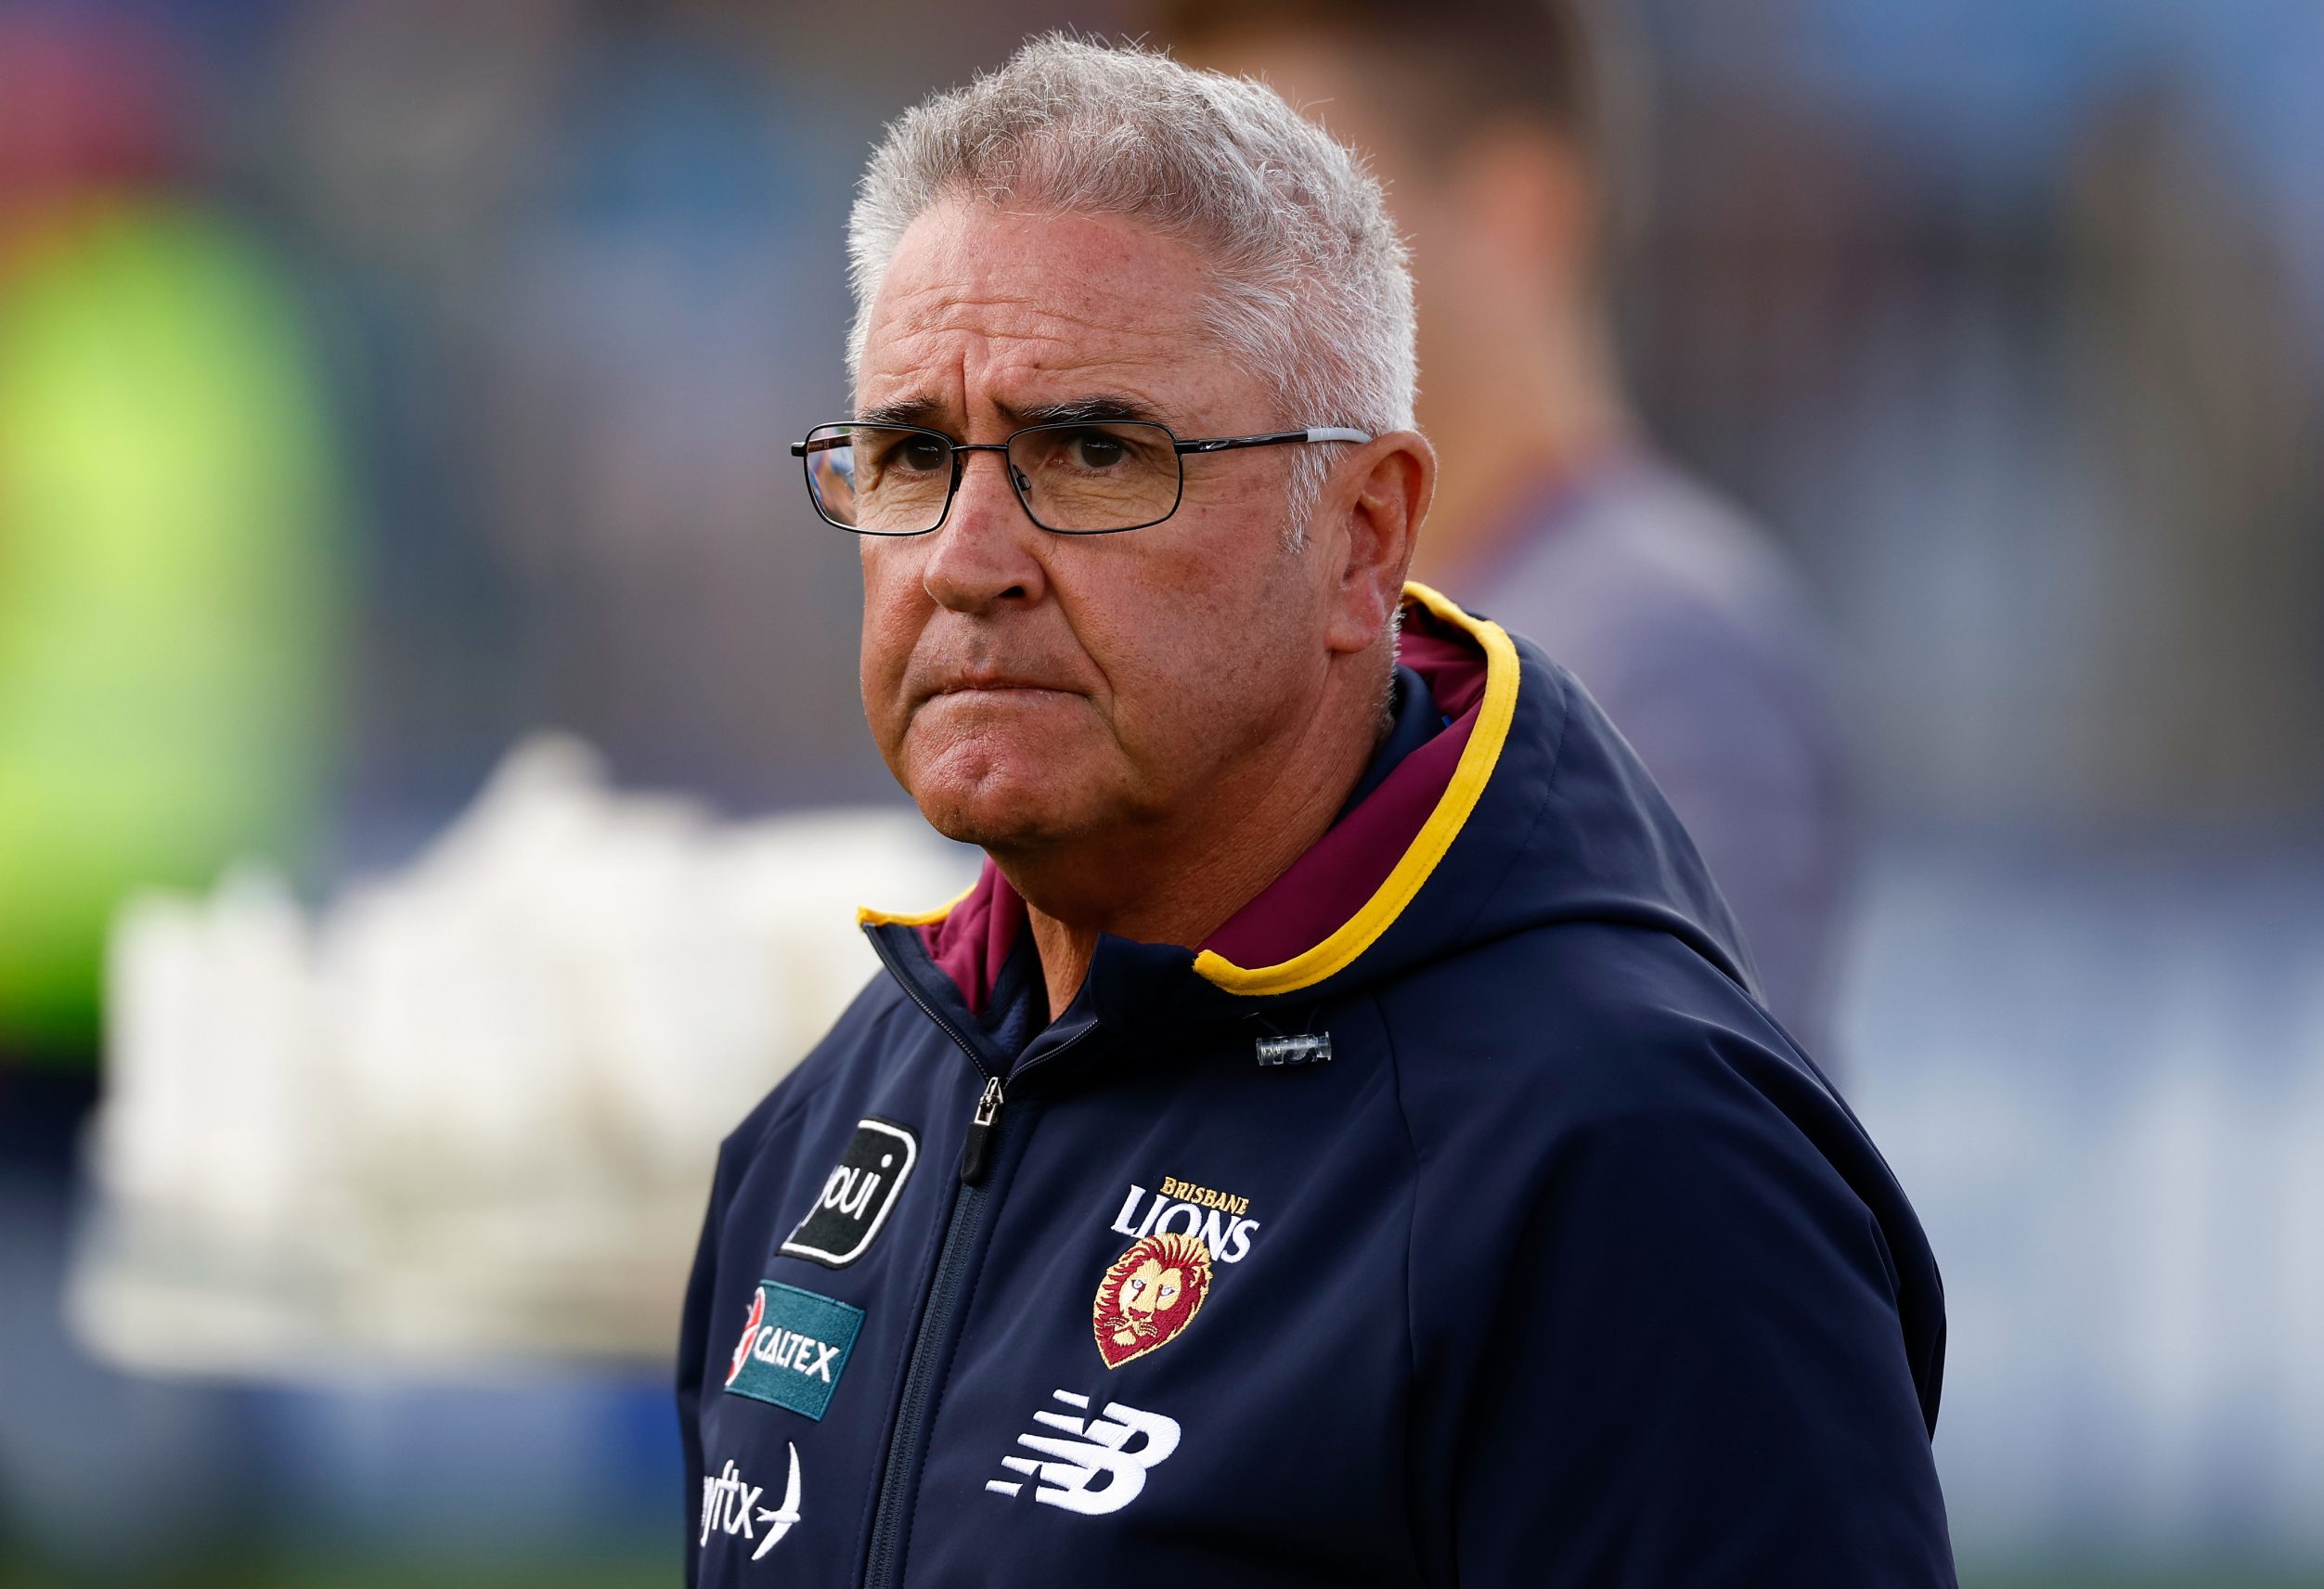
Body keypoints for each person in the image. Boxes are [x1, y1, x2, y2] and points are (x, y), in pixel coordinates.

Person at [677, 36, 1952, 1587]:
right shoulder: (821, 1131)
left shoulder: (1632, 1162)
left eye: (1092, 451)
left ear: (1364, 537)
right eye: (913, 453)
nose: (966, 554)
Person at [1162, 0, 1857, 1060]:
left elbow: (1658, 1163)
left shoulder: (1656, 655)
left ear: (1512, 218)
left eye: (1286, 217)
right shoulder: (1327, 615)